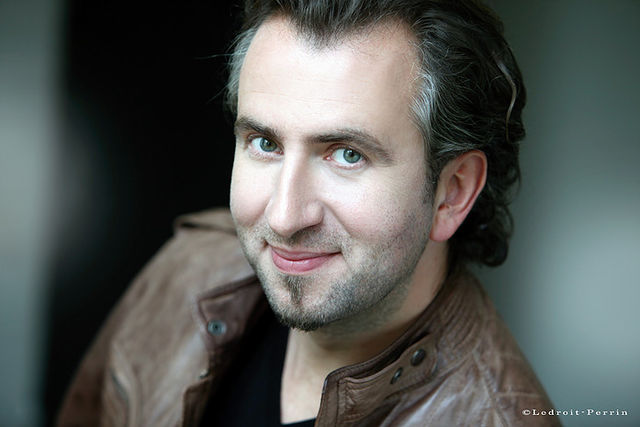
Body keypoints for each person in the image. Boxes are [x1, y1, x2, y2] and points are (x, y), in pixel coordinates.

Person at [58, 0, 558, 426]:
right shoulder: (186, 268)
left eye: (347, 155)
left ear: (453, 191)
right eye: (265, 143)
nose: (284, 217)